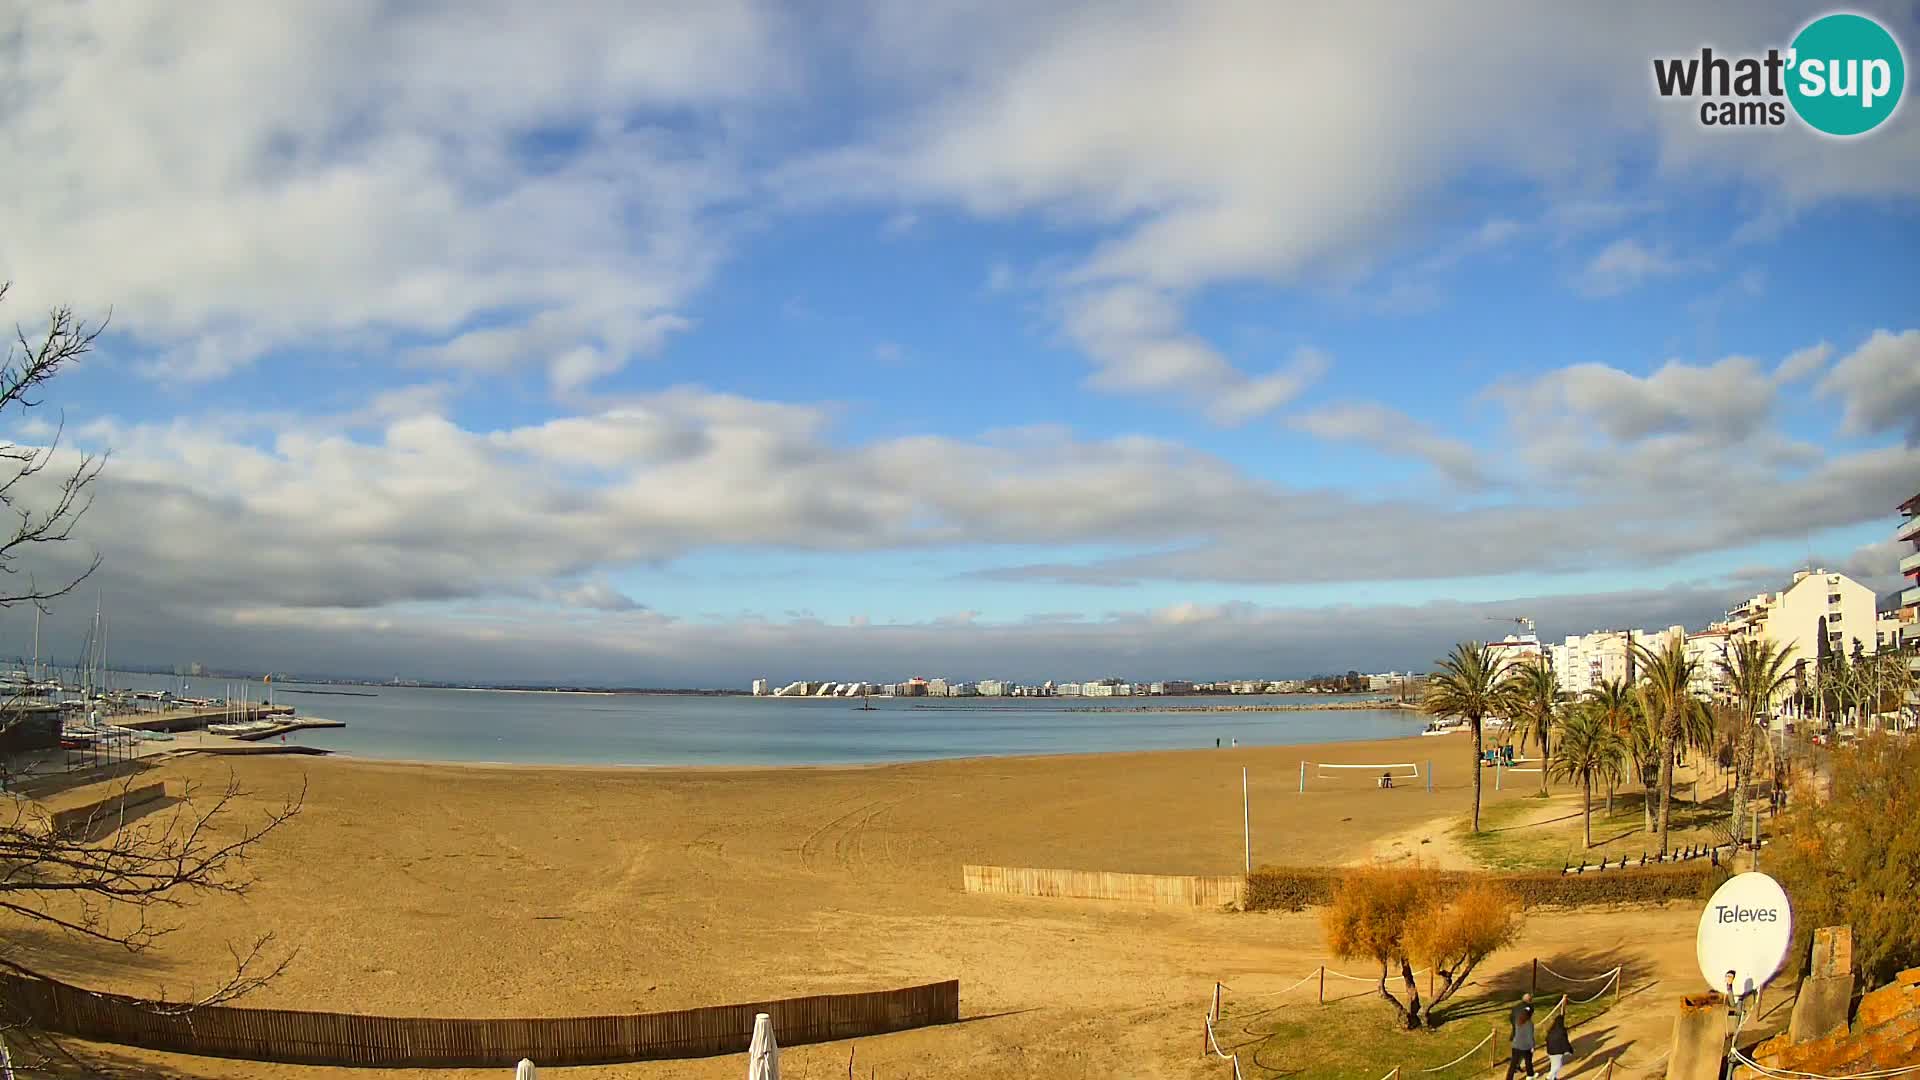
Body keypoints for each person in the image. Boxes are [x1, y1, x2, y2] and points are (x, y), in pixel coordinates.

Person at [1506, 997, 1535, 1080]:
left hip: (1515, 1045)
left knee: (1513, 1063)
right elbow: (1530, 1036)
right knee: (1528, 1061)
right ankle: (1530, 1076)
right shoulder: (1529, 1024)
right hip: (1525, 1047)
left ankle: (1509, 1078)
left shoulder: (1517, 1021)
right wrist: (1532, 1046)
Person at [1544, 1010, 1572, 1078]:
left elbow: (1547, 1040)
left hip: (1550, 1051)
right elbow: (1565, 1042)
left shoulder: (1551, 1030)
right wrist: (1569, 1050)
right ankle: (1548, 1077)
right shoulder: (1562, 1031)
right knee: (1558, 1066)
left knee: (1553, 1065)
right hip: (1557, 1052)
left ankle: (1553, 1077)